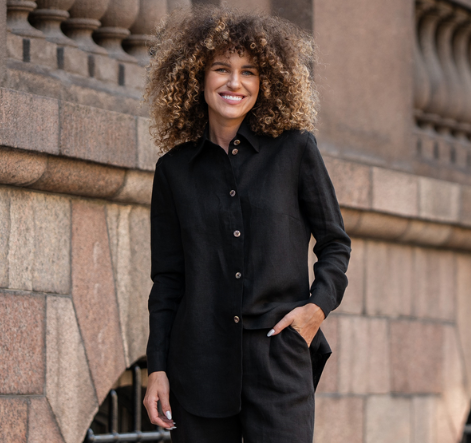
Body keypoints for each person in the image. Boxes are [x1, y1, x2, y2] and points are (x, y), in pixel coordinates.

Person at [142, 6, 351, 443]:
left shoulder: (295, 151)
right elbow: (168, 279)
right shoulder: (174, 171)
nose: (234, 83)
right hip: (198, 364)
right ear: (197, 77)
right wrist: (157, 366)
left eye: (249, 71)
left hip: (279, 361)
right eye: (221, 69)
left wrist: (316, 309)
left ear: (266, 81)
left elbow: (334, 242)